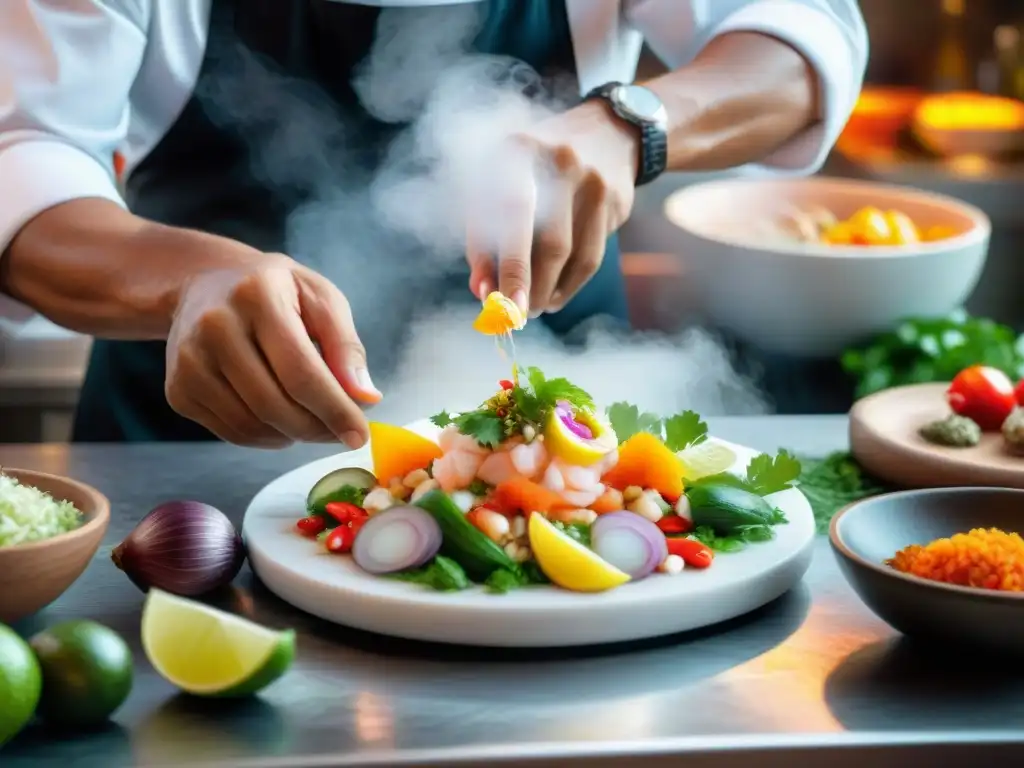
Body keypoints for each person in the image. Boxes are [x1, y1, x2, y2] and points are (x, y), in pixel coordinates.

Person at [0, 0, 868, 447]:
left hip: (559, 424)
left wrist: (632, 120)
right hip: (193, 447)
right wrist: (185, 279)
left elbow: (803, 35)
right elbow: (24, 151)